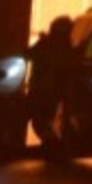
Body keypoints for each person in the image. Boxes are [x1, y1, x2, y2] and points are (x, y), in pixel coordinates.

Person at [25, 16, 74, 161]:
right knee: (44, 121)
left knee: (40, 121)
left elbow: (29, 54)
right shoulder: (64, 47)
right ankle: (52, 148)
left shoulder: (48, 44)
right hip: (52, 92)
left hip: (43, 91)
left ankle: (52, 148)